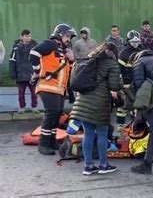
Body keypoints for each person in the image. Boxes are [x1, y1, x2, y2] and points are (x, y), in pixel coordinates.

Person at [70, 43, 121, 175]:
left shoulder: (89, 61)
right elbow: (114, 86)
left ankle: (88, 166)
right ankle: (103, 165)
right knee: (102, 133)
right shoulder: (111, 64)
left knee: (88, 133)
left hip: (82, 102)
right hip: (100, 103)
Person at [30, 24, 76, 155]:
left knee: (57, 114)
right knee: (51, 113)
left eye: (70, 37)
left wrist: (72, 59)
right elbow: (33, 53)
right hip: (48, 86)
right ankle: (43, 144)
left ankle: (52, 141)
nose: (69, 39)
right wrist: (37, 71)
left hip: (60, 89)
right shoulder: (50, 44)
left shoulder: (63, 50)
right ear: (60, 34)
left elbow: (69, 70)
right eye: (67, 36)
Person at [116, 30, 144, 125]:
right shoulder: (123, 53)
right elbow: (120, 70)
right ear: (128, 41)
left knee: (136, 104)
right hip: (127, 82)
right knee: (124, 104)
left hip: (138, 81)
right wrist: (124, 83)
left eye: (137, 42)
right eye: (133, 42)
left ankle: (133, 124)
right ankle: (120, 124)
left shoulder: (142, 50)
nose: (135, 44)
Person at [9, 29, 38, 113]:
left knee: (34, 93)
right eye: (26, 36)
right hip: (20, 74)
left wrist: (38, 72)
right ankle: (22, 108)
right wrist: (13, 73)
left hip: (31, 74)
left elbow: (39, 59)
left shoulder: (35, 47)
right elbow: (12, 61)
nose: (28, 38)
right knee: (21, 93)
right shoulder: (16, 48)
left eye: (29, 36)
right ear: (22, 37)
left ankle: (34, 107)